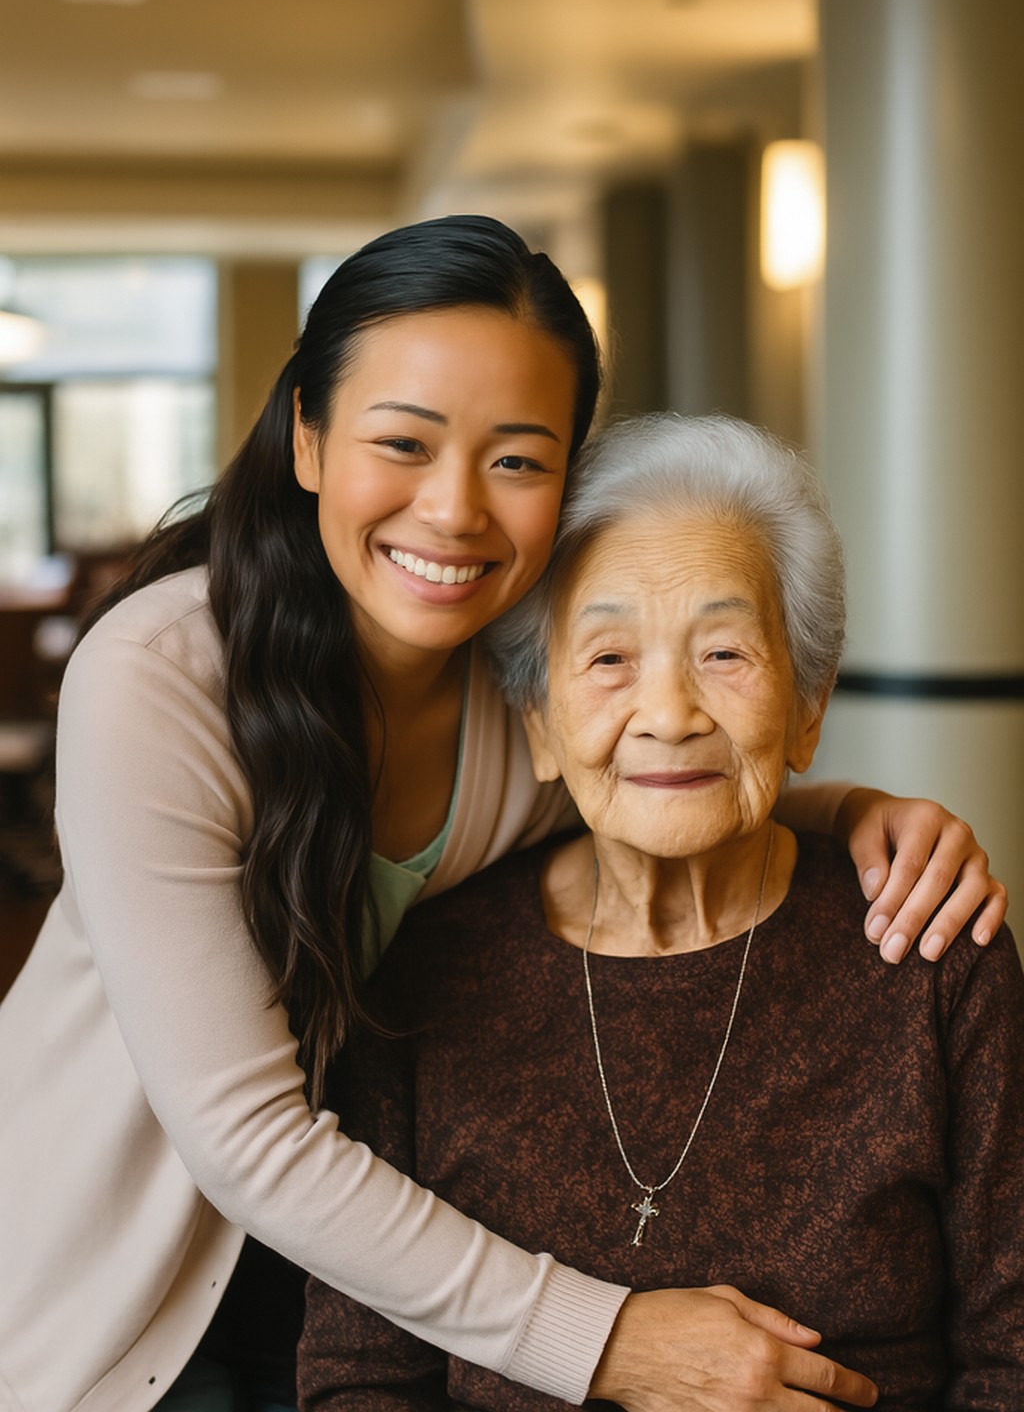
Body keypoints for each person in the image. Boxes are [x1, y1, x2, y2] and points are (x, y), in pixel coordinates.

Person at [0, 219, 1006, 1412]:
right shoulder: (164, 674)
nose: (455, 510)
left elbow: (657, 762)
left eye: (518, 460)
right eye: (403, 443)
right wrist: (610, 1343)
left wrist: (856, 813)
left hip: (378, 1252)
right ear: (308, 438)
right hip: (129, 1267)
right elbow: (248, 1141)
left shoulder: (511, 678)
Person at [299, 412, 1024, 1412]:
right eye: (607, 659)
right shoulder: (427, 973)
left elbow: (1011, 1354)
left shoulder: (929, 951)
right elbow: (359, 1379)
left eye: (724, 653)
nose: (672, 712)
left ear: (808, 707)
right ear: (538, 724)